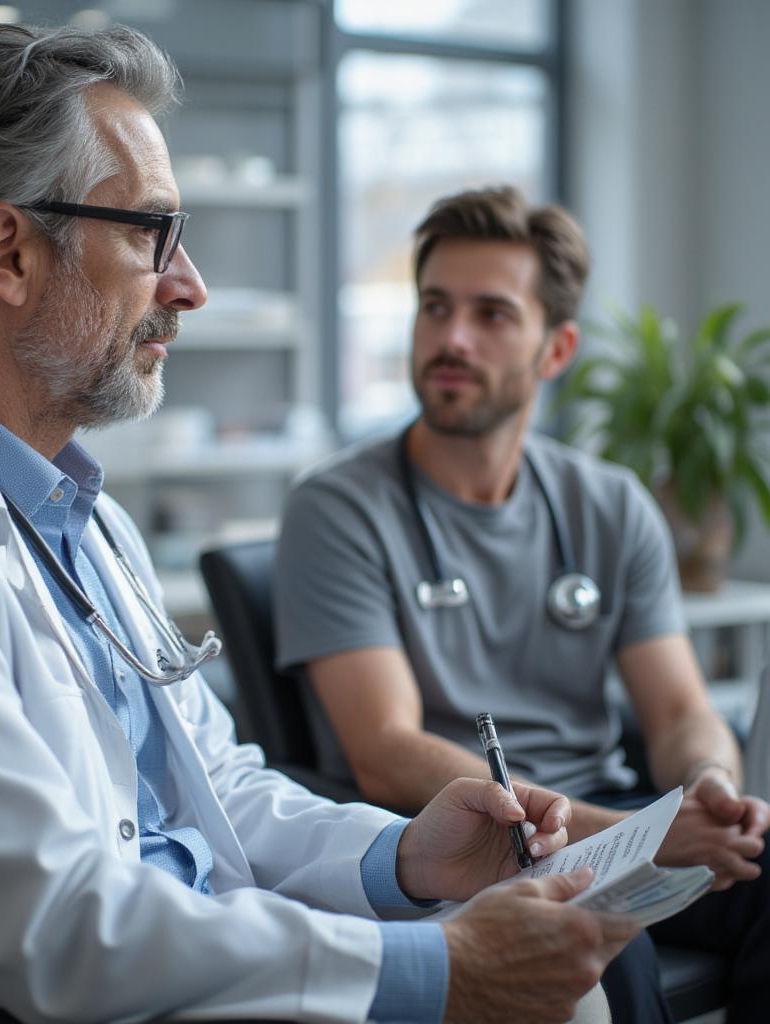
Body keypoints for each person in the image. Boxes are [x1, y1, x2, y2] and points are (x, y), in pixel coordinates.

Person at [0, 25, 633, 1024]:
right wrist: (433, 970)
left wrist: (402, 857)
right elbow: (57, 925)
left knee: (574, 977)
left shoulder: (76, 513)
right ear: (8, 252)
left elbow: (217, 787)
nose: (190, 285)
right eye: (149, 234)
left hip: (185, 970)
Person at [273, 184, 770, 1022]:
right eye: (435, 308)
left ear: (557, 347)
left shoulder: (609, 505)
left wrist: (711, 789)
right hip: (467, 852)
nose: (451, 338)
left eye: (492, 314)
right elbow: (386, 753)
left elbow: (681, 707)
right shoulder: (338, 509)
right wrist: (630, 835)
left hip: (609, 824)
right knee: (600, 938)